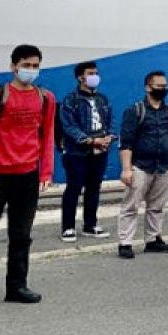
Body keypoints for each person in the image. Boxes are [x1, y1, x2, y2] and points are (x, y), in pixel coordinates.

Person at [0, 45, 55, 312]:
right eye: (26, 65)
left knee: (22, 235)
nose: (30, 70)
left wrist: (45, 172)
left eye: (35, 66)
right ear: (13, 66)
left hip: (28, 176)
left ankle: (17, 286)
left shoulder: (46, 98)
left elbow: (47, 137)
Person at [116, 71, 168, 259]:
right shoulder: (135, 110)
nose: (163, 89)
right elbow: (126, 142)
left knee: (157, 206)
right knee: (131, 206)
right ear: (148, 87)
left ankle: (153, 240)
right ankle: (125, 243)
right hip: (140, 166)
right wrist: (126, 169)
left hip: (164, 166)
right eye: (159, 86)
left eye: (165, 86)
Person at [58, 61, 113, 242]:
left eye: (96, 73)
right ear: (80, 77)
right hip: (77, 153)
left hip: (100, 151)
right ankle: (68, 227)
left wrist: (108, 138)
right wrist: (90, 141)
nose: (95, 76)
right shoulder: (70, 100)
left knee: (94, 188)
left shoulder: (103, 99)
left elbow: (110, 121)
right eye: (90, 73)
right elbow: (69, 127)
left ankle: (90, 225)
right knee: (74, 188)